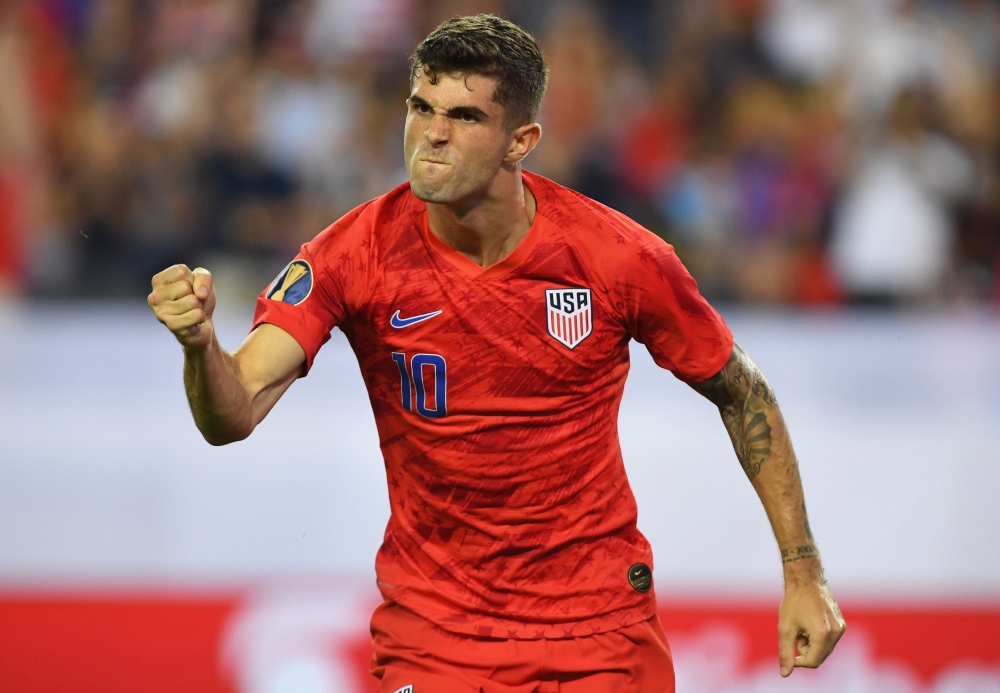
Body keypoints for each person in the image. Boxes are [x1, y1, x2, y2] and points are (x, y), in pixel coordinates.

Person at [148, 15, 844, 693]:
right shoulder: (350, 256)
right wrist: (200, 345)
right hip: (439, 635)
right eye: (420, 107)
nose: (431, 136)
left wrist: (802, 569)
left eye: (465, 118)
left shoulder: (617, 257)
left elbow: (742, 390)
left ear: (522, 140)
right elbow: (230, 412)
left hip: (598, 633)